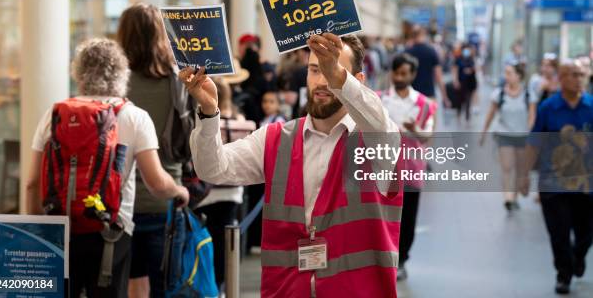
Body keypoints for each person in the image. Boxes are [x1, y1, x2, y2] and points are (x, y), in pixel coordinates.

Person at [180, 33, 402, 297]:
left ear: (358, 81)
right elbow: (212, 169)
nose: (322, 81)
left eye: (332, 69)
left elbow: (380, 125)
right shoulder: (275, 139)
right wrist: (208, 113)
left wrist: (339, 79)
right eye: (314, 70)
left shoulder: (375, 142)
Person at [25, 38, 189, 298]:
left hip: (58, 228)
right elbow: (157, 183)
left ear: (78, 72)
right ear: (122, 73)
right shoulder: (134, 117)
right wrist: (179, 190)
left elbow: (32, 182)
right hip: (112, 231)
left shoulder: (54, 114)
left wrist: (38, 231)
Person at [116, 3, 194, 298]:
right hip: (167, 197)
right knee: (166, 287)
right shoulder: (178, 84)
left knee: (129, 285)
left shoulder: (117, 87)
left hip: (119, 203)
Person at [521, 60, 593, 295]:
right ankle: (564, 274)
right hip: (553, 182)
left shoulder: (591, 106)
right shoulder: (548, 108)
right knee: (558, 232)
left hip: (586, 183)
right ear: (561, 79)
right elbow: (534, 142)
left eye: (582, 74)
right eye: (573, 74)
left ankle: (578, 256)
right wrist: (524, 175)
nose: (579, 78)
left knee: (586, 231)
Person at [379, 53, 436, 282]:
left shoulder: (424, 104)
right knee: (382, 216)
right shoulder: (379, 99)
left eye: (404, 73)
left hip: (411, 169)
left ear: (412, 74)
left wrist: (415, 129)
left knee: (408, 216)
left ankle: (401, 259)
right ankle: (384, 257)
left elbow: (427, 136)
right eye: (396, 72)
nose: (400, 77)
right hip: (383, 168)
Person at [194, 77, 248, 291]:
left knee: (206, 241)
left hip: (206, 192)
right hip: (232, 191)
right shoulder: (239, 119)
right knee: (226, 242)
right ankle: (223, 285)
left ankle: (208, 284)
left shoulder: (204, 120)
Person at [480, 62, 536, 212]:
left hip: (522, 135)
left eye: (510, 73)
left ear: (519, 76)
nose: (507, 76)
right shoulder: (499, 93)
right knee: (507, 167)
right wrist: (483, 132)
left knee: (519, 168)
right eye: (505, 73)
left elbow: (532, 116)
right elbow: (491, 114)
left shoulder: (529, 94)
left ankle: (515, 196)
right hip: (504, 134)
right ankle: (508, 197)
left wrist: (531, 134)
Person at [406, 27, 449, 106]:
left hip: (411, 96)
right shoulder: (431, 52)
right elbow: (438, 76)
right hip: (428, 94)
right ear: (423, 35)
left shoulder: (407, 52)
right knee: (430, 118)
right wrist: (445, 97)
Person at [452, 44, 478, 123]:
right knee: (459, 99)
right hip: (461, 82)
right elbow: (455, 70)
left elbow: (475, 69)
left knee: (468, 100)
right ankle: (458, 114)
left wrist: (471, 70)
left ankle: (467, 117)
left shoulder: (471, 59)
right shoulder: (458, 59)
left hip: (470, 83)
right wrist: (455, 80)